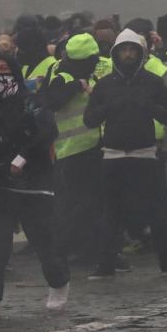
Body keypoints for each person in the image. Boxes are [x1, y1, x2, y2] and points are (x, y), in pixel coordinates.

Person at [0, 53, 69, 317]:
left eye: (4, 69)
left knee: (43, 239)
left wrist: (22, 158)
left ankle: (59, 282)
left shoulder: (31, 104)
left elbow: (46, 133)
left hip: (33, 185)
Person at [84, 29, 167, 279]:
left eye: (132, 50)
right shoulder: (105, 85)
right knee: (110, 214)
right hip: (113, 156)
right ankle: (105, 265)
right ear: (116, 54)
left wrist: (149, 107)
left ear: (140, 53)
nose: (128, 55)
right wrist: (109, 107)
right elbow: (89, 119)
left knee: (157, 213)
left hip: (145, 155)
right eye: (123, 50)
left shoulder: (152, 82)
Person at [42, 33, 105, 265]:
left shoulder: (84, 73)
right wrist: (75, 87)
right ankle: (62, 251)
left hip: (90, 147)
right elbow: (51, 100)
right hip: (72, 150)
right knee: (71, 205)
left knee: (89, 204)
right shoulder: (63, 76)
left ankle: (87, 249)